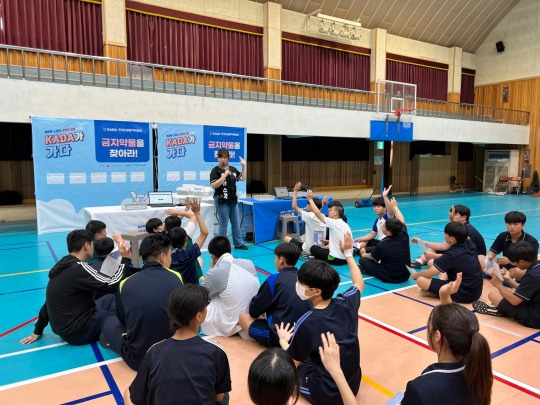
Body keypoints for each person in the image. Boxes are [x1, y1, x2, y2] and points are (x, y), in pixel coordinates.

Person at [276, 232, 364, 404]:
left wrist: (283, 341)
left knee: (286, 365)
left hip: (329, 393)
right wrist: (348, 254)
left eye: (301, 284)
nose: (298, 286)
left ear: (316, 291)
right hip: (353, 383)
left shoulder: (308, 321)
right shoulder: (346, 302)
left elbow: (294, 360)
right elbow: (359, 283)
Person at [124, 285, 231, 405]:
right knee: (224, 395)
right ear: (198, 316)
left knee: (127, 393)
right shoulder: (216, 351)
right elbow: (219, 397)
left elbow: (137, 398)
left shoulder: (154, 352)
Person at [20, 230, 131, 345]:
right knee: (121, 317)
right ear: (86, 246)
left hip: (66, 327)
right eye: (92, 243)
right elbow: (111, 284)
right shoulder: (80, 268)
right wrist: (126, 260)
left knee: (109, 299)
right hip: (79, 331)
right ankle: (107, 337)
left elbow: (50, 301)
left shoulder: (61, 266)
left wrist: (38, 330)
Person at [100, 233, 184, 370]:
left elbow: (123, 320)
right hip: (175, 354)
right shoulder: (176, 277)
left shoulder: (125, 283)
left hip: (140, 360)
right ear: (163, 257)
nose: (171, 259)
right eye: (170, 256)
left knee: (109, 321)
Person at [402, 300, 493, 405]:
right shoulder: (478, 370)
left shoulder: (419, 389)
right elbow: (455, 325)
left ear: (437, 336)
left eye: (429, 326)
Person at [239, 243, 311, 347]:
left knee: (243, 317)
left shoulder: (274, 280)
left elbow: (254, 311)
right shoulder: (306, 278)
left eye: (275, 258)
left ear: (281, 260)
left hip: (281, 336)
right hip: (305, 333)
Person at [201, 236, 259, 337]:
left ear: (212, 256)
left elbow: (202, 296)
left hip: (232, 325)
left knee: (207, 302)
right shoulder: (249, 263)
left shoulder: (215, 272)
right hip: (251, 317)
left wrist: (212, 267)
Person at [412, 222, 483, 303]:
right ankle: (439, 290)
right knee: (442, 269)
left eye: (445, 233)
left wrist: (416, 275)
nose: (444, 235)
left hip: (463, 294)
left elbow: (429, 274)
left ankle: (441, 293)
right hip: (476, 291)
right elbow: (444, 248)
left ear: (452, 238)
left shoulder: (452, 255)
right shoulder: (469, 243)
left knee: (420, 280)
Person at [473, 241, 540, 328]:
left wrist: (498, 285)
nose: (514, 264)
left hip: (535, 318)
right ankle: (503, 309)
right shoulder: (536, 267)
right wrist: (509, 279)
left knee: (494, 295)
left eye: (514, 263)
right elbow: (527, 289)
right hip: (535, 304)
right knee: (512, 291)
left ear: (522, 262)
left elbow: (515, 301)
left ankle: (503, 310)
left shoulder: (532, 275)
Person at [411, 205, 486, 268]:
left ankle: (426, 260)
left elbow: (458, 255)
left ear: (464, 217)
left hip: (470, 259)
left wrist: (434, 256)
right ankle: (420, 261)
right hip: (459, 254)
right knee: (432, 248)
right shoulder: (459, 228)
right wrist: (421, 242)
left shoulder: (466, 232)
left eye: (454, 214)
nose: (451, 216)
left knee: (431, 263)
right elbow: (443, 246)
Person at [210, 148, 248, 250]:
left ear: (228, 159)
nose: (223, 160)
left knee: (235, 222)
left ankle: (238, 243)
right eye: (221, 157)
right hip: (222, 200)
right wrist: (224, 176)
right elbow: (213, 185)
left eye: (225, 158)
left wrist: (243, 165)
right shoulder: (215, 171)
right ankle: (223, 246)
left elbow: (243, 177)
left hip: (233, 200)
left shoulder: (233, 169)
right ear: (218, 158)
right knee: (223, 223)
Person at [485, 211, 538, 281]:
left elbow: (532, 265)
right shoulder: (502, 236)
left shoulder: (531, 241)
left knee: (518, 272)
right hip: (503, 268)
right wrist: (490, 259)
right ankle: (503, 278)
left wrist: (510, 262)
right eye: (509, 224)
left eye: (516, 224)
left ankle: (501, 278)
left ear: (523, 225)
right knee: (481, 259)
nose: (512, 227)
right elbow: (490, 254)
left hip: (519, 269)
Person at [359, 212, 411, 284]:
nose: (382, 227)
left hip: (391, 276)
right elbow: (401, 219)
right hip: (406, 275)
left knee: (362, 260)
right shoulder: (403, 233)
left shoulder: (382, 244)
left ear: (388, 233)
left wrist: (364, 254)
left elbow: (372, 257)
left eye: (383, 226)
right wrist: (395, 206)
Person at [169, 200, 209, 284]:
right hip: (192, 288)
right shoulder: (190, 253)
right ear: (186, 239)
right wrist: (197, 213)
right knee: (199, 260)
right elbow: (204, 233)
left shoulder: (166, 257)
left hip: (176, 291)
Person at [307, 189, 352, 266]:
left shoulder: (333, 222)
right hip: (347, 258)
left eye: (331, 210)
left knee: (313, 248)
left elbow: (317, 213)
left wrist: (310, 199)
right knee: (322, 249)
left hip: (336, 259)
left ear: (336, 213)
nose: (328, 211)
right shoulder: (345, 224)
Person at [284, 182, 326, 258]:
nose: (306, 205)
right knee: (304, 238)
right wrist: (322, 204)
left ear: (312, 206)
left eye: (308, 204)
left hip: (308, 249)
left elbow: (294, 206)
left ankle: (299, 252)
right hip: (319, 247)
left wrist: (295, 191)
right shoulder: (322, 216)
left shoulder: (309, 216)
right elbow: (317, 212)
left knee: (286, 238)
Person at [353, 186, 394, 254]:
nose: (375, 208)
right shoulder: (377, 220)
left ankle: (367, 254)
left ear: (385, 208)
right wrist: (359, 239)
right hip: (380, 242)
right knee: (365, 241)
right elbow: (372, 234)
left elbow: (391, 211)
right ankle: (353, 249)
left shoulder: (388, 217)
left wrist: (385, 196)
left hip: (387, 245)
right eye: (374, 206)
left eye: (378, 206)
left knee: (362, 251)